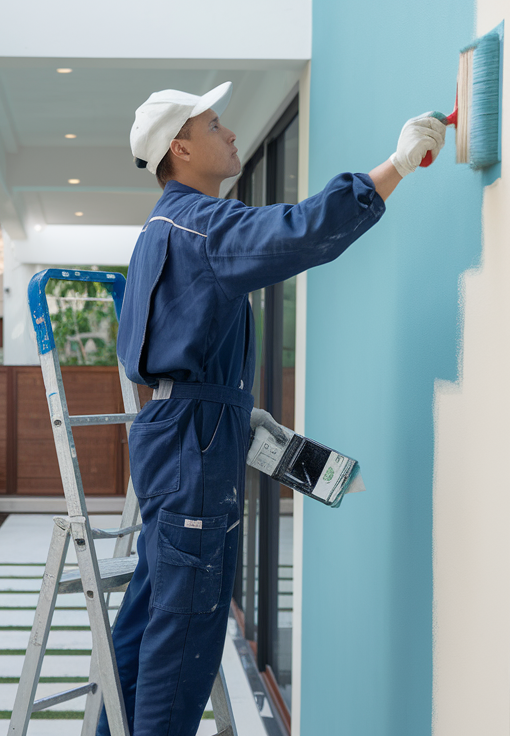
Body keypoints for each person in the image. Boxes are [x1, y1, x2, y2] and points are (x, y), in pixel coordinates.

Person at [103, 81, 446, 736]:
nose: (230, 134)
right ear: (180, 147)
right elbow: (297, 233)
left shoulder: (165, 230)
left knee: (147, 629)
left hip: (185, 439)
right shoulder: (198, 226)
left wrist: (245, 421)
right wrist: (395, 167)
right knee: (178, 651)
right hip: (194, 450)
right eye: (214, 125)